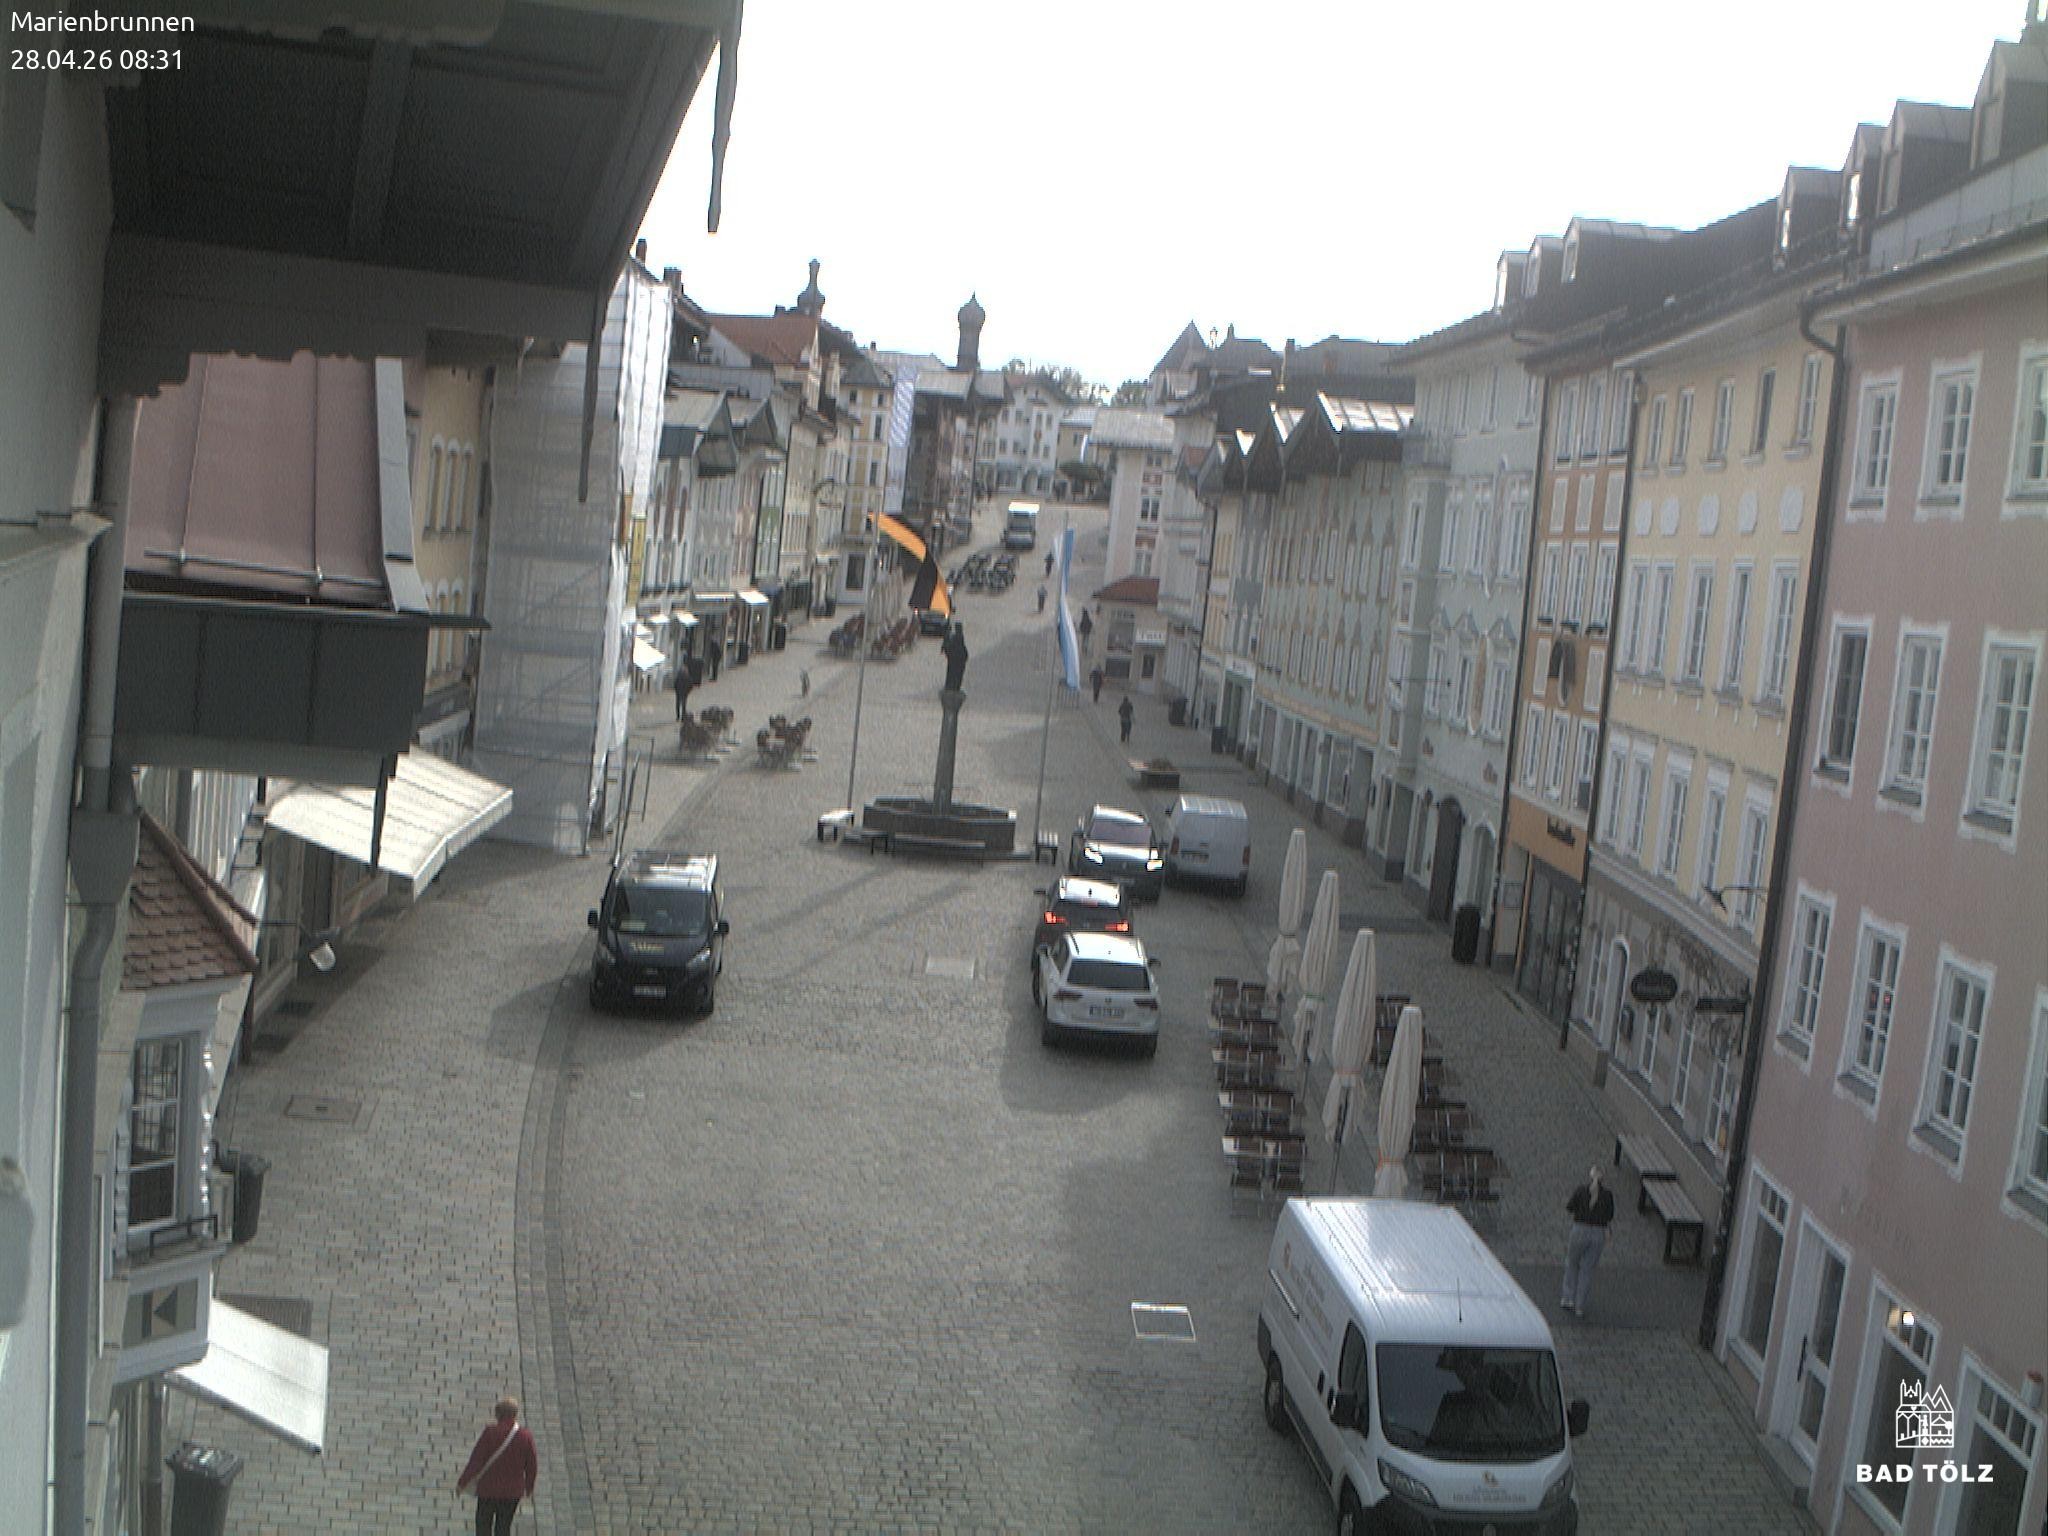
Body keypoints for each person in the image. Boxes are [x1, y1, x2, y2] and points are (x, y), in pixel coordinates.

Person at [456, 1396, 537, 1536]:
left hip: (489, 1490)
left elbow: (476, 1461)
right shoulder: (525, 1436)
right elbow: (532, 1465)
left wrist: (462, 1483)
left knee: (483, 1524)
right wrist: (529, 1487)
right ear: (515, 1414)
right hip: (512, 1492)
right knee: (504, 1527)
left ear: (497, 1414)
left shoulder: (490, 1433)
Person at [1560, 1166, 1616, 1316]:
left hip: (1579, 1230)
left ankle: (1568, 1298)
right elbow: (1610, 1216)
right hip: (1598, 1234)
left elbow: (1569, 1207)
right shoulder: (1608, 1195)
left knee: (1572, 1262)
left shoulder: (1581, 1190)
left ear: (1590, 1176)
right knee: (1587, 1269)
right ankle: (1580, 1305)